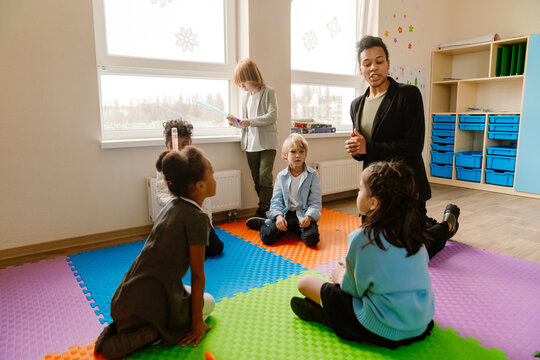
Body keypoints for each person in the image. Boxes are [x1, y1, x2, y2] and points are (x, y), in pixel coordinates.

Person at [290, 160, 454, 348]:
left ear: (373, 203)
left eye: (360, 190)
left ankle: (330, 317)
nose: (357, 193)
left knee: (305, 283)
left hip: (382, 328)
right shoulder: (415, 235)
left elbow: (351, 291)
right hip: (420, 324)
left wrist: (340, 275)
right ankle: (331, 314)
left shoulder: (362, 238)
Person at [94, 147, 216, 358]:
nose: (215, 178)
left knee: (183, 291)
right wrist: (197, 323)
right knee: (210, 302)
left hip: (125, 298)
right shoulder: (197, 219)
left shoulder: (171, 207)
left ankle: (127, 326)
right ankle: (152, 332)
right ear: (200, 185)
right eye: (212, 173)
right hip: (148, 305)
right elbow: (197, 275)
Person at [344, 35, 459, 258]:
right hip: (376, 191)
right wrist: (357, 150)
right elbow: (365, 153)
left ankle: (448, 224)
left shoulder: (408, 94)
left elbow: (414, 146)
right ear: (360, 69)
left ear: (388, 63)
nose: (373, 67)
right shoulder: (356, 105)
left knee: (413, 251)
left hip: (406, 186)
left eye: (379, 61)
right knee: (372, 245)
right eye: (367, 63)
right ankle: (422, 222)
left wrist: (369, 147)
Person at [155, 118, 223, 258]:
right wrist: (176, 200)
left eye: (184, 145)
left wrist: (206, 223)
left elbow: (206, 198)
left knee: (216, 248)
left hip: (198, 220)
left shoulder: (198, 164)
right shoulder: (165, 166)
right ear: (167, 145)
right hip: (178, 220)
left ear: (190, 144)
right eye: (176, 145)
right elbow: (160, 194)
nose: (180, 149)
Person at [245, 133, 321, 247]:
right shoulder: (281, 176)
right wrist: (279, 217)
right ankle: (263, 224)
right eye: (293, 152)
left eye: (301, 151)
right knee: (266, 237)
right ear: (285, 155)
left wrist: (308, 218)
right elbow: (276, 201)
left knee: (312, 239)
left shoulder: (313, 175)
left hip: (303, 214)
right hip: (286, 214)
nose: (297, 155)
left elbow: (315, 202)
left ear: (305, 154)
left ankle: (296, 229)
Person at [227, 58, 279, 218]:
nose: (242, 87)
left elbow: (272, 116)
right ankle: (265, 207)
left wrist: (250, 122)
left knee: (265, 176)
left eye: (243, 83)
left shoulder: (268, 92)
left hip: (267, 144)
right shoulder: (246, 98)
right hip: (250, 145)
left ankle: (265, 208)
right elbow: (245, 123)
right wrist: (234, 122)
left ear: (252, 76)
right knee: (257, 179)